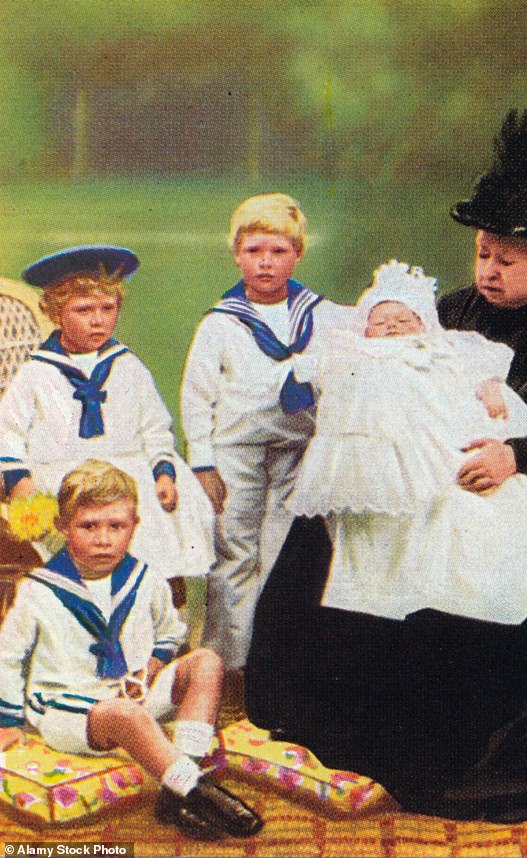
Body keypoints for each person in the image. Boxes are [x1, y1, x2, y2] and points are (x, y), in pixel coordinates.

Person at [246, 106, 527, 825]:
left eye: (506, 259)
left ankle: (440, 748)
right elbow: (387, 365)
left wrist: (516, 454)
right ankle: (312, 714)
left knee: (473, 558)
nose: (487, 270)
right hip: (440, 470)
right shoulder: (447, 313)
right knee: (337, 530)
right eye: (483, 253)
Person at [0, 460, 262, 841]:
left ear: (134, 526)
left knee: (207, 661)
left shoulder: (144, 578)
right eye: (88, 526)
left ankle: (177, 793)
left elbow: (171, 631)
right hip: (72, 712)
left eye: (116, 526)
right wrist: (6, 721)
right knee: (126, 715)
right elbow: (6, 658)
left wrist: (153, 667)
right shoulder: (39, 590)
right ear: (63, 527)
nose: (103, 539)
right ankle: (199, 790)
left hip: (132, 693)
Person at [286, 259, 527, 625]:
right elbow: (313, 372)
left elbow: (476, 366)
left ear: (424, 325)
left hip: (436, 446)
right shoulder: (358, 354)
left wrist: (490, 385)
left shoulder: (440, 350)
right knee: (375, 536)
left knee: (474, 512)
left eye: (404, 320)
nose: (392, 327)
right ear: (365, 330)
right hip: (374, 450)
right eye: (380, 322)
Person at [181, 192, 356, 669]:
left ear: (298, 254)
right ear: (237, 254)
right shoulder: (221, 322)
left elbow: (374, 332)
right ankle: (225, 666)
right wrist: (203, 462)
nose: (265, 263)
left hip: (298, 448)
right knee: (234, 551)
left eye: (278, 252)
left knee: (283, 552)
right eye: (254, 251)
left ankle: (273, 663)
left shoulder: (321, 315)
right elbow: (198, 395)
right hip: (235, 450)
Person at [0, 245, 216, 590]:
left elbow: (155, 426)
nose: (98, 320)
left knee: (152, 534)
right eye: (84, 310)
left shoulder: (127, 366)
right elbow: (7, 431)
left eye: (107, 308)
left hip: (128, 474)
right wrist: (20, 481)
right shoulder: (36, 373)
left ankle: (158, 613)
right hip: (64, 477)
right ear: (56, 314)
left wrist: (163, 472)